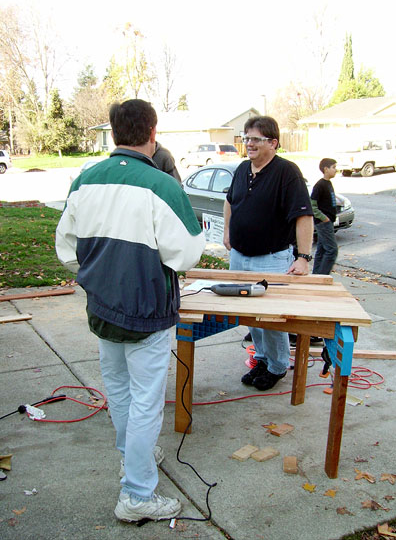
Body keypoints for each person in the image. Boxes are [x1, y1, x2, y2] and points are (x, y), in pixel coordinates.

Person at [55, 99, 205, 524]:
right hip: (146, 311)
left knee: (120, 391)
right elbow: (186, 254)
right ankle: (137, 493)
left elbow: (66, 249)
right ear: (153, 134)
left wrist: (100, 275)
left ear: (114, 132)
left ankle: (132, 457)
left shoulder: (85, 181)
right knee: (144, 403)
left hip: (102, 308)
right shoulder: (161, 185)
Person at [223, 115, 314, 391]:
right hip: (240, 256)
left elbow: (304, 216)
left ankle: (277, 367)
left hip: (272, 259)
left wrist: (303, 258)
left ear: (273, 143)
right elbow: (229, 201)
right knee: (252, 317)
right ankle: (262, 359)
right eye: (246, 138)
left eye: (255, 139)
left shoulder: (287, 173)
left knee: (272, 320)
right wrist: (227, 232)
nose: (249, 144)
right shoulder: (242, 169)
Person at [311, 158, 339, 275]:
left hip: (328, 222)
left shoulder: (328, 183)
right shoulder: (320, 185)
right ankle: (323, 276)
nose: (336, 170)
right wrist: (324, 218)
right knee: (332, 250)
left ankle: (316, 276)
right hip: (323, 223)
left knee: (322, 250)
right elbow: (312, 206)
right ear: (326, 169)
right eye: (334, 167)